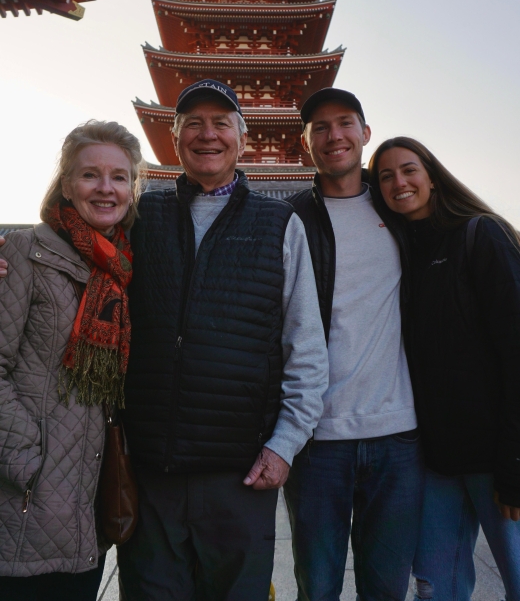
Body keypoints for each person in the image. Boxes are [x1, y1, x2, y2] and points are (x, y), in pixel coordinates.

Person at [117, 79, 329, 601]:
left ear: (243, 136)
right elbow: (71, 249)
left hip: (240, 472)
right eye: (192, 123)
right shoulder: (141, 217)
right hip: (151, 469)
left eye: (220, 123)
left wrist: (284, 446)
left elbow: (305, 346)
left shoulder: (280, 222)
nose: (206, 134)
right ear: (173, 138)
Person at [283, 88, 424, 601]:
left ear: (366, 134)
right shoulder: (290, 218)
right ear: (305, 144)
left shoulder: (406, 212)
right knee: (316, 587)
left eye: (345, 123)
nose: (334, 135)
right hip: (317, 439)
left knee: (386, 588)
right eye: (319, 128)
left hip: (398, 435)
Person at [369, 136, 520, 601]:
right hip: (436, 459)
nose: (400, 182)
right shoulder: (400, 254)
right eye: (386, 176)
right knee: (435, 584)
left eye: (409, 170)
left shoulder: (480, 234)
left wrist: (514, 462)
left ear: (432, 176)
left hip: (496, 455)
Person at [0, 120, 143, 601]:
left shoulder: (122, 266)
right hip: (24, 500)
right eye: (90, 175)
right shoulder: (23, 252)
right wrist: (27, 456)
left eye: (119, 177)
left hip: (87, 512)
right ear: (66, 184)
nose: (106, 188)